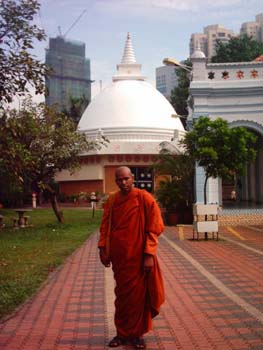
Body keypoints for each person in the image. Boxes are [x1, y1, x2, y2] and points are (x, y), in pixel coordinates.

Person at [98, 166, 165, 349]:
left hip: (139, 257)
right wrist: (102, 248)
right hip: (120, 257)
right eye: (119, 180)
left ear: (132, 178)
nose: (123, 182)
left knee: (137, 299)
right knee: (122, 297)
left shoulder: (144, 198)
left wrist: (149, 254)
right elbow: (105, 225)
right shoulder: (112, 200)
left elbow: (155, 227)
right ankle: (121, 333)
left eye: (126, 178)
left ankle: (137, 335)